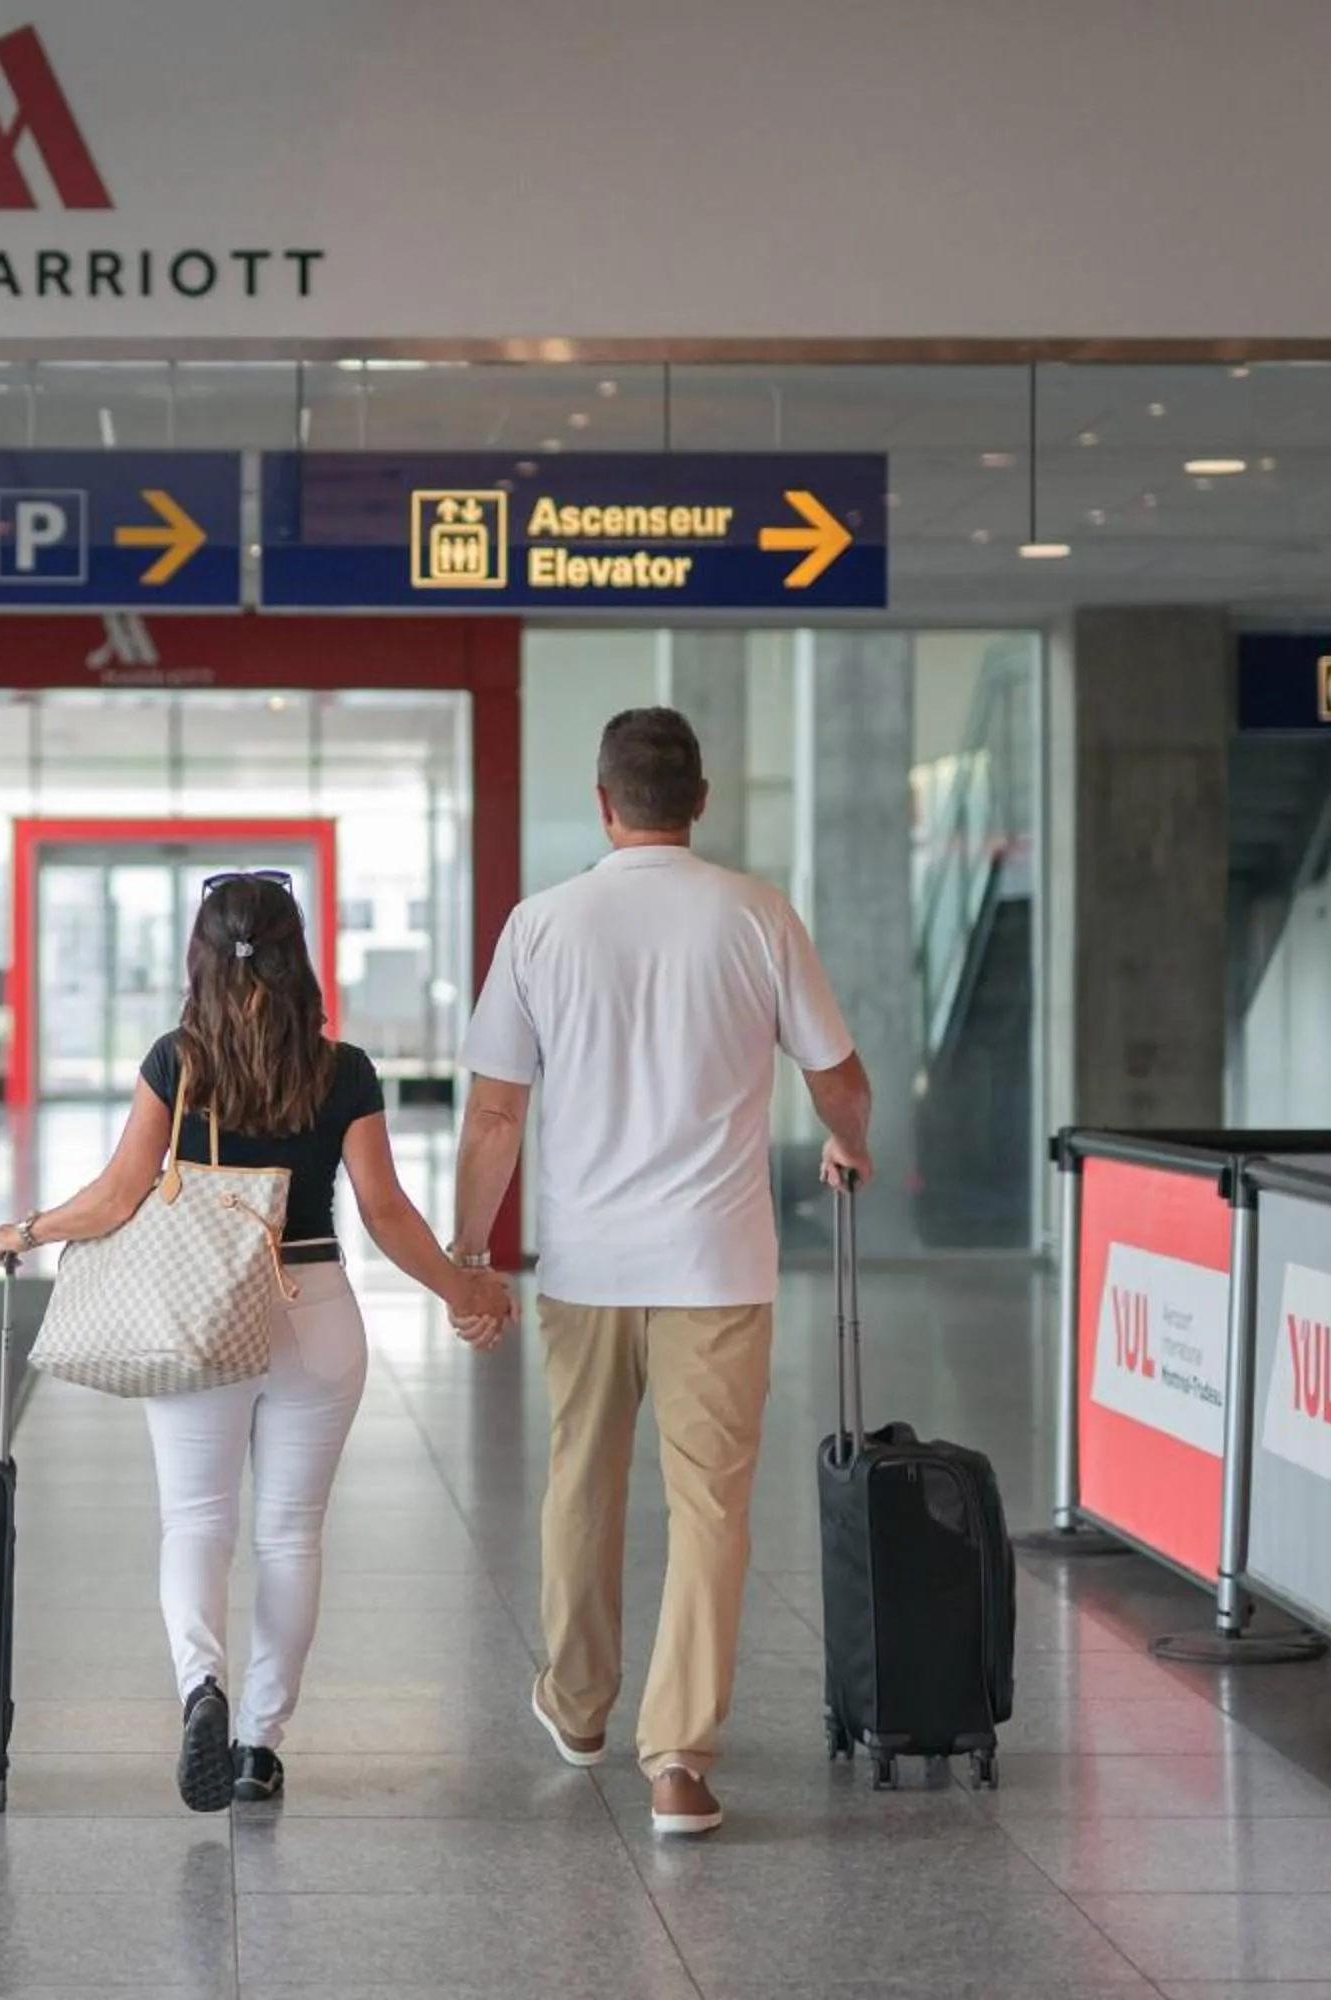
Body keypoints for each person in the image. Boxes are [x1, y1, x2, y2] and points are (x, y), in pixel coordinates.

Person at [0, 870, 514, 1814]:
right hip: (316, 1311)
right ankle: (258, 1747)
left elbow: (118, 1196)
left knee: (197, 1522)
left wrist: (27, 1230)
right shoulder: (343, 1069)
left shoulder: (178, 1062)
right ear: (295, 955)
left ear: (201, 957)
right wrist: (460, 1289)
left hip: (202, 1315)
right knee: (291, 1534)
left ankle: (203, 1686)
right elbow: (386, 1211)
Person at [448, 708, 873, 1838]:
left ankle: (579, 1704)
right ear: (700, 799)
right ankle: (679, 1758)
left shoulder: (542, 924)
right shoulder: (757, 913)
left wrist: (470, 1255)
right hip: (717, 1262)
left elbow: (494, 1113)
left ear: (604, 803)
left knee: (581, 1481)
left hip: (587, 1264)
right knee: (711, 1509)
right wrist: (849, 1142)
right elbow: (837, 1073)